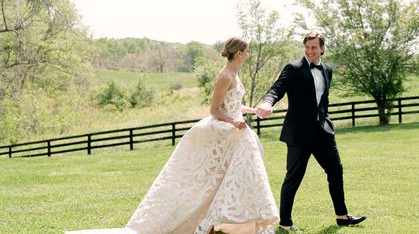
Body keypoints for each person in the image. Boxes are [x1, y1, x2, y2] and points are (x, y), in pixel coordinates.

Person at [66, 36, 279, 234]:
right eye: (247, 51)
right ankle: (204, 219)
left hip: (235, 129)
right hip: (223, 130)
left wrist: (253, 111)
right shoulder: (224, 76)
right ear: (239, 53)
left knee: (228, 177)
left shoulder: (235, 74)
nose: (249, 54)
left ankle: (223, 220)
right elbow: (214, 110)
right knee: (206, 181)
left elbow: (233, 105)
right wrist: (233, 122)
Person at [256, 31, 365, 231]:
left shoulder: (327, 70)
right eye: (307, 47)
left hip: (322, 131)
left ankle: (342, 216)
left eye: (314, 47)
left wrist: (327, 120)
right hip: (299, 133)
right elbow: (277, 89)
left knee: (335, 170)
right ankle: (285, 222)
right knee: (294, 176)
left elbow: (324, 100)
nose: (310, 51)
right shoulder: (294, 68)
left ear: (322, 49)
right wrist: (267, 102)